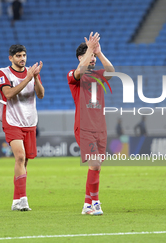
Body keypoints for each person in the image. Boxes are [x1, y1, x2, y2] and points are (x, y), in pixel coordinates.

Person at [67, 32, 114, 215]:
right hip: (84, 126)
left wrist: (99, 53)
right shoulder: (74, 75)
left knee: (97, 166)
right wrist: (88, 53)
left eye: (93, 56)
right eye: (90, 56)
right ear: (80, 57)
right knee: (94, 164)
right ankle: (95, 202)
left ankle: (87, 204)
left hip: (100, 126)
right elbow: (79, 71)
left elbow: (111, 72)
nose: (92, 59)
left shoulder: (98, 75)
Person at [0, 45, 44, 211]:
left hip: (29, 121)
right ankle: (23, 199)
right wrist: (27, 78)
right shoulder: (3, 73)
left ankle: (16, 200)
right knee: (20, 157)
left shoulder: (31, 72)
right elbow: (8, 94)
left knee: (25, 161)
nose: (22, 58)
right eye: (18, 56)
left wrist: (36, 78)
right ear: (11, 58)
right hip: (12, 120)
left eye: (24, 55)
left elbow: (41, 94)